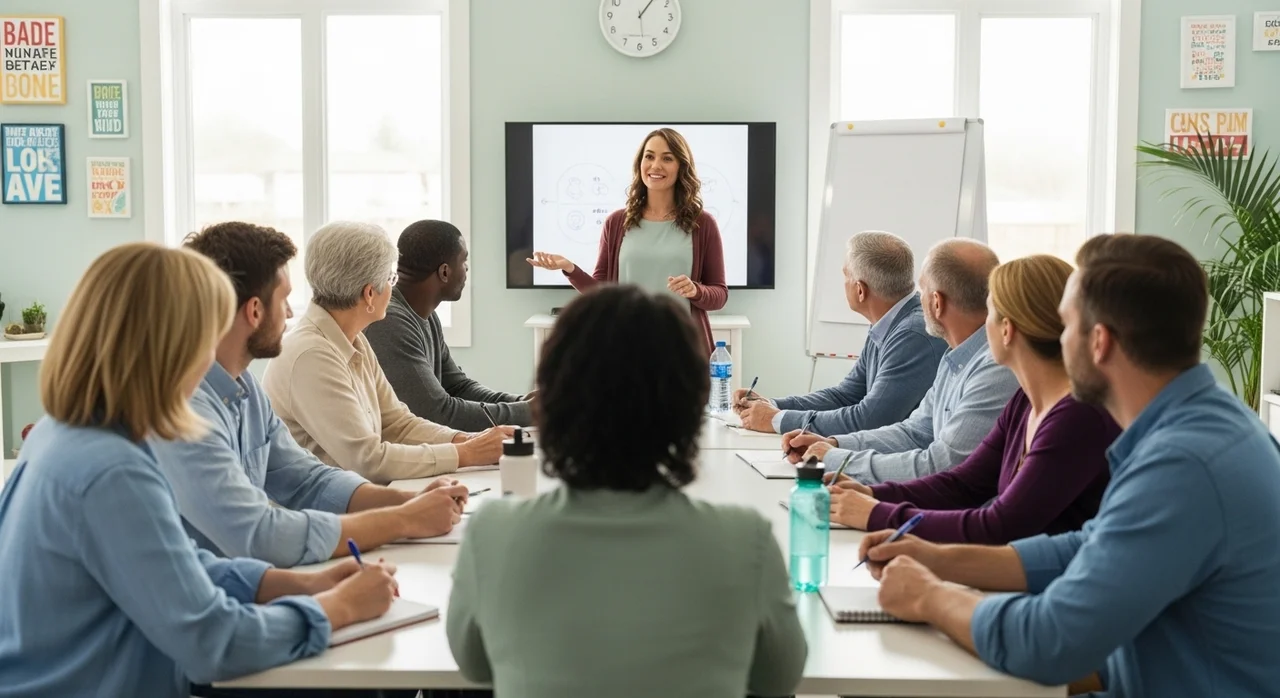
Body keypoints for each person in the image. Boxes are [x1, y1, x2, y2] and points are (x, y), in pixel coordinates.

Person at [864, 235, 1280, 697]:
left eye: (1064, 326)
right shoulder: (1204, 423)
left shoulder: (1183, 463)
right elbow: (1088, 546)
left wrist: (930, 596)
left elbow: (1048, 640)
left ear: (1098, 342)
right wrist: (938, 558)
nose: (1056, 341)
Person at [0, 243, 398, 698]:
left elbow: (172, 565)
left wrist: (294, 584)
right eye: (207, 336)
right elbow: (213, 642)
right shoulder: (113, 471)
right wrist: (336, 608)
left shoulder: (65, 433)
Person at [446, 285, 807, 698]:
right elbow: (778, 679)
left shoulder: (493, 532)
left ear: (551, 400)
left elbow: (473, 665)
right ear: (690, 408)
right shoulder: (747, 540)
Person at [148, 222, 469, 568]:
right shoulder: (187, 412)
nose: (289, 313)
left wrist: (408, 501)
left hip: (258, 574)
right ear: (254, 310)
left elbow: (308, 479)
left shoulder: (245, 388)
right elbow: (258, 534)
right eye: (284, 298)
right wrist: (403, 519)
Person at [826, 255, 1119, 544]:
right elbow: (963, 484)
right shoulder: (1023, 403)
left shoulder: (1076, 416)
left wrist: (877, 514)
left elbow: (999, 525)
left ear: (1007, 330)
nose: (982, 325)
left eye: (989, 312)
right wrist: (873, 495)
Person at [262, 221, 510, 485]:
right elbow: (367, 460)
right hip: (324, 514)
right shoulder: (311, 355)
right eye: (392, 278)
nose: (394, 288)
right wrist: (466, 453)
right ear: (370, 294)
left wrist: (468, 440)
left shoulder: (353, 339)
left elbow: (398, 424)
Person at [786, 238, 1019, 484]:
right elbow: (915, 432)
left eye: (923, 290)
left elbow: (941, 465)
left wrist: (835, 458)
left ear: (937, 303)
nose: (919, 299)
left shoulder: (994, 368)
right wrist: (834, 443)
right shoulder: (956, 357)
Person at [526, 127, 728, 353]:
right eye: (649, 156)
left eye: (667, 158)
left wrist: (696, 291)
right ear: (639, 164)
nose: (655, 165)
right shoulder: (616, 223)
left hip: (683, 350)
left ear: (681, 166)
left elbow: (719, 295)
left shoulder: (703, 224)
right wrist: (570, 268)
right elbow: (602, 292)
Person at [733, 230, 946, 435]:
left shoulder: (912, 334)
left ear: (860, 290)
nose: (843, 282)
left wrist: (777, 420)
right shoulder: (888, 320)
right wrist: (772, 405)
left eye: (845, 275)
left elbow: (869, 419)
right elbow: (846, 396)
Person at [365, 220, 533, 431]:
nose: (467, 269)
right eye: (464, 261)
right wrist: (530, 411)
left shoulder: (427, 316)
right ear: (445, 272)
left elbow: (457, 386)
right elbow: (437, 413)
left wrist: (522, 402)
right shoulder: (389, 322)